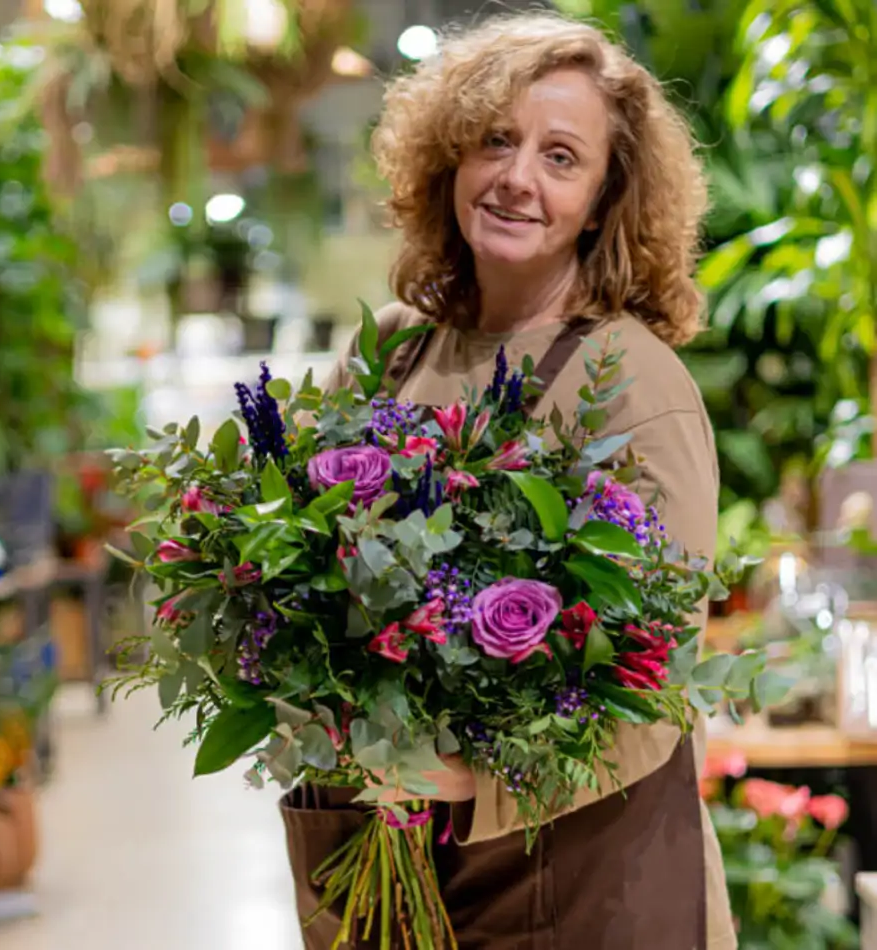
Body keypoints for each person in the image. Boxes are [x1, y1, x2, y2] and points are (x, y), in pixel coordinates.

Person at [281, 12, 735, 949]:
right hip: (396, 860)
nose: (517, 177)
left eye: (561, 157)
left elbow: (658, 681)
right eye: (495, 140)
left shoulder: (635, 386)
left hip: (573, 888)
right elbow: (292, 573)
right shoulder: (389, 354)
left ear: (604, 200)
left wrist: (472, 780)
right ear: (449, 156)